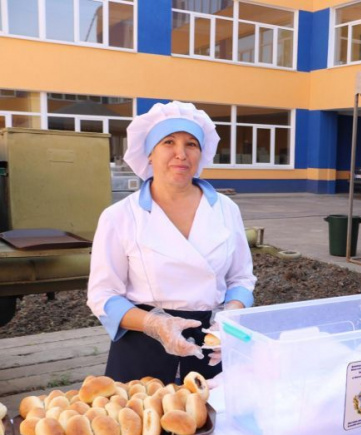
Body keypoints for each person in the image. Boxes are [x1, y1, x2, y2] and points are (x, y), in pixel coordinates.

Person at [87, 101, 256, 384]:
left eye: (191, 144)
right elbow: (103, 295)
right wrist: (156, 324)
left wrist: (230, 321)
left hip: (211, 343)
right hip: (141, 344)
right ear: (150, 153)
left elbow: (241, 278)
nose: (181, 153)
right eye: (168, 142)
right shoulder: (120, 216)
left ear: (201, 154)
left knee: (212, 419)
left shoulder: (226, 210)